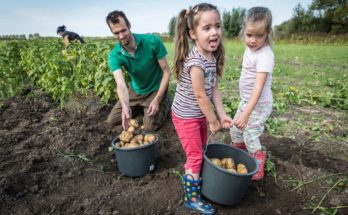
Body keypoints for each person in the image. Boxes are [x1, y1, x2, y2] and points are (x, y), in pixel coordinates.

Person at [171, 3, 233, 214]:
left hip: (198, 114)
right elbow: (200, 95)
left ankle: (193, 172)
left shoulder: (211, 57)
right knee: (196, 156)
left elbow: (213, 88)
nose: (214, 32)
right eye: (207, 28)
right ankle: (192, 198)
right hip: (185, 116)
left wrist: (222, 115)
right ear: (193, 34)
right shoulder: (196, 62)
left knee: (200, 151)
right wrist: (213, 121)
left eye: (217, 26)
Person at [105, 10, 171, 132]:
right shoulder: (114, 55)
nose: (121, 36)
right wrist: (125, 107)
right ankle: (141, 107)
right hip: (136, 90)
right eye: (116, 33)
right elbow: (120, 84)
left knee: (149, 128)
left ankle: (165, 102)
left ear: (129, 25)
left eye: (123, 30)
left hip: (155, 88)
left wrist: (157, 99)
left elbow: (167, 71)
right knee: (112, 120)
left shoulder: (152, 41)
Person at [229, 7, 275, 181]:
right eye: (249, 35)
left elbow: (258, 87)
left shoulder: (265, 55)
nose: (253, 40)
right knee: (235, 129)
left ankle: (258, 161)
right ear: (244, 31)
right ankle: (240, 154)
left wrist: (247, 113)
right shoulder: (250, 49)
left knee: (250, 133)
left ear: (267, 33)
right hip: (246, 101)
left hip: (259, 104)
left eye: (259, 36)